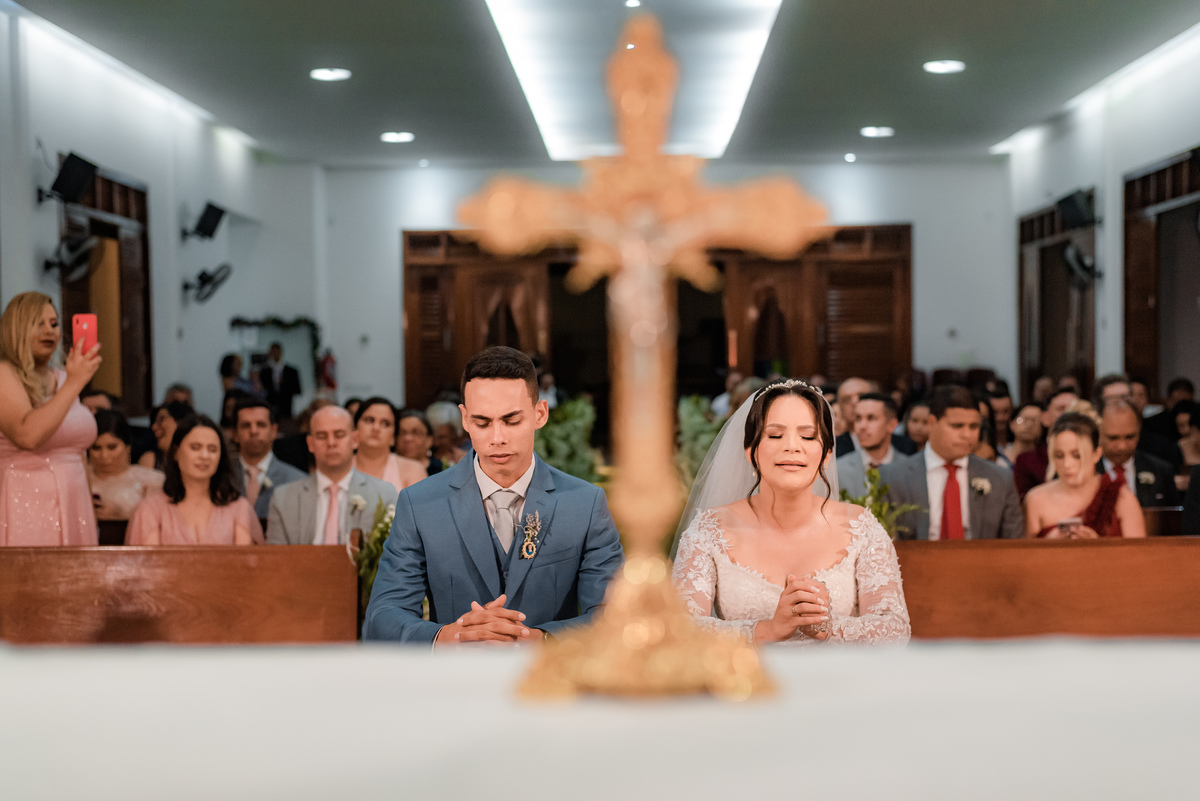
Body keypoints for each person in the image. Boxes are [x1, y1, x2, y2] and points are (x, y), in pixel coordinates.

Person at [364, 346, 625, 645]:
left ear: (540, 414)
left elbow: (616, 617)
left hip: (550, 683)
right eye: (482, 422)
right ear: (464, 419)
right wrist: (445, 637)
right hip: (456, 684)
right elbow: (382, 617)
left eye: (511, 420)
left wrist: (544, 641)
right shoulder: (420, 504)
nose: (497, 437)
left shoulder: (585, 503)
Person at [671, 379, 910, 644]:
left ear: (826, 455)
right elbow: (680, 631)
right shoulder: (709, 529)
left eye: (807, 436)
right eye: (775, 435)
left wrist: (826, 628)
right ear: (751, 453)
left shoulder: (861, 526)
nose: (792, 446)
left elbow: (895, 630)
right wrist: (770, 629)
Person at [0, 292, 102, 546]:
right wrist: (76, 382)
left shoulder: (63, 378)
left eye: (54, 324)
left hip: (75, 502)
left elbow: (79, 454)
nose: (50, 331)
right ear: (17, 327)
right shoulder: (4, 374)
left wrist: (90, 510)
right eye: (39, 323)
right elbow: (28, 435)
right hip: (25, 503)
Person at [880, 385, 1023, 540]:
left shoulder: (1000, 479)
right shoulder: (892, 477)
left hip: (983, 563)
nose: (967, 435)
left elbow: (1013, 546)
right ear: (932, 422)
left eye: (974, 426)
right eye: (957, 426)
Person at [266, 406, 395, 546]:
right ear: (310, 443)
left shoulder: (384, 494)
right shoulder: (283, 497)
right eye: (322, 436)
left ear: (355, 439)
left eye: (339, 435)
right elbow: (277, 561)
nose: (331, 443)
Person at [126, 415, 262, 545]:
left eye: (212, 449)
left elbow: (245, 564)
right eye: (195, 448)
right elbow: (147, 565)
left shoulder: (238, 507)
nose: (204, 456)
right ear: (176, 453)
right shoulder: (149, 509)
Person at [1024, 412, 1146, 539]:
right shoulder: (1035, 499)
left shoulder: (1121, 497)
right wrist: (1049, 543)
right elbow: (1024, 556)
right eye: (1059, 455)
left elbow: (1139, 554)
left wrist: (1096, 546)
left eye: (1077, 455)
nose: (1067, 464)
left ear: (1097, 454)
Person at [230, 399, 305, 523]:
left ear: (274, 431)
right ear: (235, 434)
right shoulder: (222, 477)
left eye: (261, 424)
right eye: (246, 425)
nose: (253, 431)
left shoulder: (297, 480)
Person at [1098, 399, 1180, 508]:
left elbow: (1173, 520)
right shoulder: (1084, 472)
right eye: (1113, 438)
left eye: (1130, 437)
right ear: (1099, 434)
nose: (1122, 446)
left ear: (1139, 431)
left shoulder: (1161, 471)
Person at [87, 409, 165, 521]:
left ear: (127, 447)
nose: (104, 455)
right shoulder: (77, 480)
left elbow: (159, 521)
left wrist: (123, 514)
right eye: (96, 448)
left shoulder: (151, 480)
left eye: (112, 447)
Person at [352, 397, 426, 496]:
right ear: (355, 428)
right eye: (369, 420)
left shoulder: (413, 470)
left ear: (393, 437)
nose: (376, 428)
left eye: (385, 424)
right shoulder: (339, 467)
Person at [1013, 388, 1077, 498]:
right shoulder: (1027, 460)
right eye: (1061, 408)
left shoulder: (1091, 456)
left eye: (1074, 409)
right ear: (1045, 418)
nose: (1068, 413)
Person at [834, 377, 916, 458]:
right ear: (840, 407)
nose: (855, 402)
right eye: (846, 399)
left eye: (862, 396)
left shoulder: (906, 447)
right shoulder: (832, 449)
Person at [836, 393, 900, 497]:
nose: (862, 426)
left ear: (891, 425)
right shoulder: (837, 470)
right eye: (858, 418)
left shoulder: (910, 470)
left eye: (871, 418)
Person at [139, 400, 194, 470]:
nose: (154, 427)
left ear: (180, 422)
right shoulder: (150, 461)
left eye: (161, 419)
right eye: (154, 422)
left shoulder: (198, 460)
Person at [259, 342, 302, 420]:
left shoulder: (291, 371)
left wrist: (285, 383)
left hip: (286, 407)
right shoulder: (265, 371)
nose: (276, 354)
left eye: (277, 351)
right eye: (273, 351)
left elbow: (297, 389)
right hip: (271, 406)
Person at [397, 408, 443, 476]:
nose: (408, 438)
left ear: (429, 440)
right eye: (403, 433)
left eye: (415, 433)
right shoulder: (388, 469)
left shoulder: (441, 471)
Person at [426, 400, 468, 466]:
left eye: (444, 437)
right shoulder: (425, 457)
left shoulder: (463, 458)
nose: (440, 442)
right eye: (437, 437)